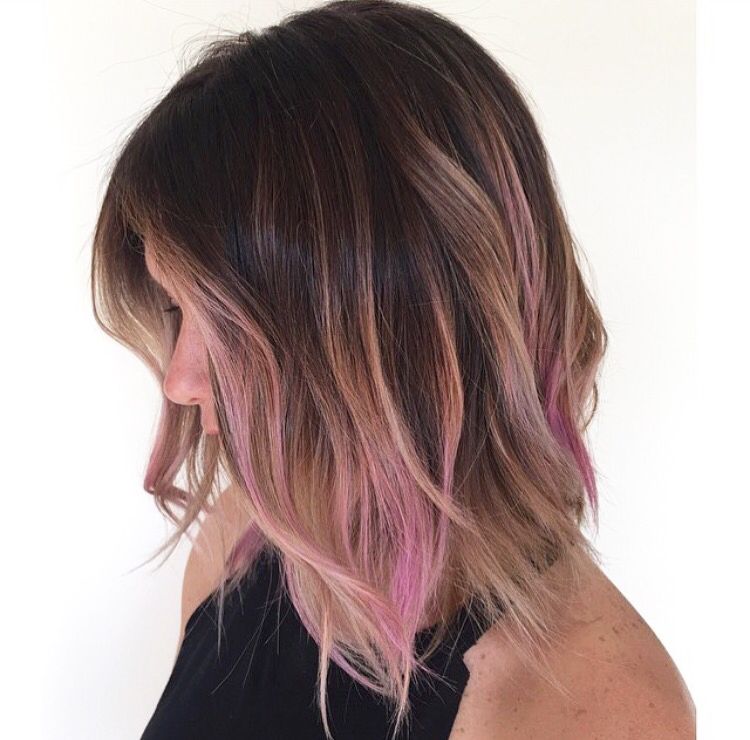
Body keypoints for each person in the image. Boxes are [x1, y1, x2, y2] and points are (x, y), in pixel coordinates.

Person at [90, 1, 695, 737]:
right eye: (175, 309)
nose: (179, 381)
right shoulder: (241, 538)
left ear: (391, 333)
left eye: (226, 324)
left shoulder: (592, 704)